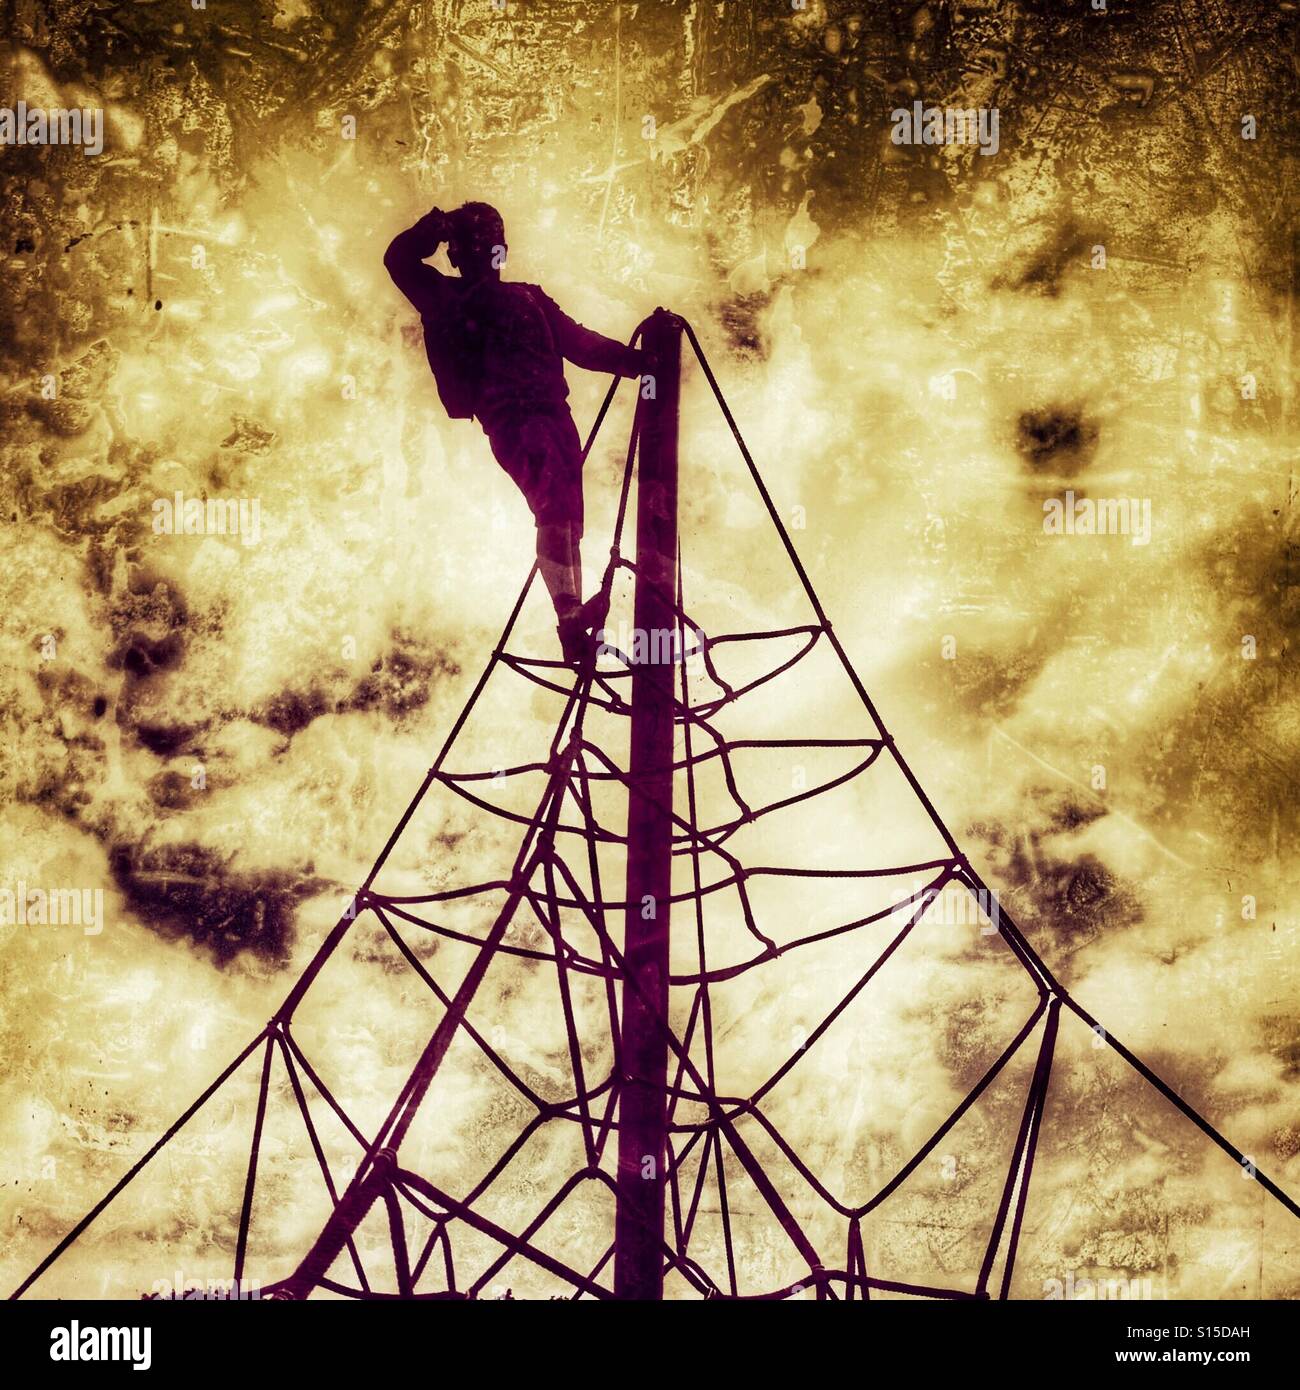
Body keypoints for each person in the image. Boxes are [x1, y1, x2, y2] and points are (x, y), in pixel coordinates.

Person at [383, 201, 644, 662]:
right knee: (552, 507)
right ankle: (569, 619)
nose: (487, 255)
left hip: (556, 417)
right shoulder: (444, 296)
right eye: (475, 246)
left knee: (567, 518)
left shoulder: (530, 297)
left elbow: (581, 345)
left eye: (492, 246)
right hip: (513, 419)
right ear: (457, 255)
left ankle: (576, 624)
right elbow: (399, 260)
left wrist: (635, 362)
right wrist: (433, 228)